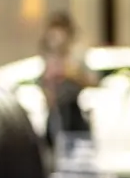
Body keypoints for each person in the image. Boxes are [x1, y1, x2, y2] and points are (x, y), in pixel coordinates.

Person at [39, 13, 94, 147]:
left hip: (72, 115)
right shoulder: (49, 60)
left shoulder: (76, 59)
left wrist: (70, 73)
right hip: (55, 115)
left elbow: (90, 80)